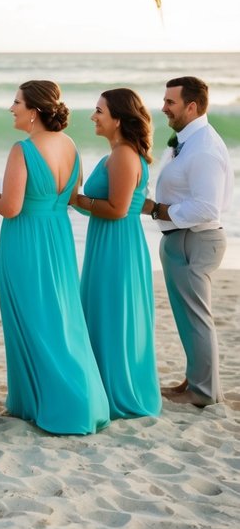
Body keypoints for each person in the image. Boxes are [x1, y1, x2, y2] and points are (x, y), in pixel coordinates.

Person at [0, 80, 109, 435]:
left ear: (34, 110)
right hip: (58, 238)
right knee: (61, 317)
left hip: (26, 241)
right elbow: (69, 196)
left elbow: (11, 207)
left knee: (33, 319)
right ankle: (49, 400)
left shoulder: (22, 150)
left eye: (17, 102)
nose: (11, 108)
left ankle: (62, 403)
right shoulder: (70, 145)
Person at [142, 76, 233, 407]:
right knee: (187, 316)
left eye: (170, 102)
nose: (164, 108)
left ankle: (204, 392)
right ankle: (195, 381)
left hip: (195, 239)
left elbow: (207, 206)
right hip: (181, 238)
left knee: (196, 317)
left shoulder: (205, 148)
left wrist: (157, 209)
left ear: (191, 106)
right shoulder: (188, 140)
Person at [71, 89, 161, 419]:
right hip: (106, 243)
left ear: (118, 119)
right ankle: (105, 386)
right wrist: (76, 198)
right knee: (103, 312)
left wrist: (77, 200)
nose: (93, 116)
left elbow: (118, 209)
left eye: (99, 111)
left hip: (118, 247)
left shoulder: (123, 155)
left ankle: (118, 391)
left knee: (114, 315)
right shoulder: (114, 154)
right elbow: (101, 208)